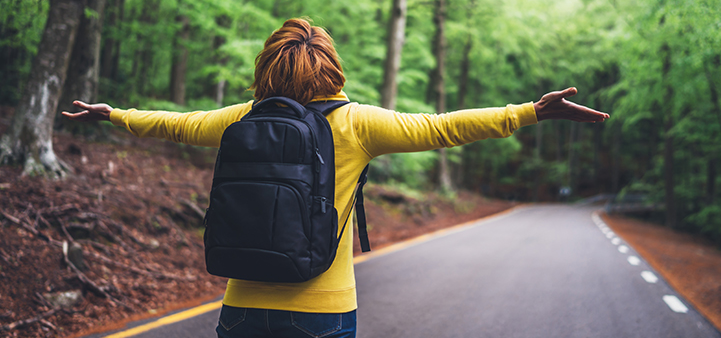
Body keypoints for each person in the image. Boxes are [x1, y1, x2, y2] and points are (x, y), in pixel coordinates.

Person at [63, 18, 609, 338]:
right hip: (320, 309)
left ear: (268, 71)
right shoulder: (358, 123)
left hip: (243, 302)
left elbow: (176, 125)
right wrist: (530, 112)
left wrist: (113, 115)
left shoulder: (243, 118)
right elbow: (443, 129)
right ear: (331, 67)